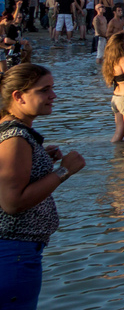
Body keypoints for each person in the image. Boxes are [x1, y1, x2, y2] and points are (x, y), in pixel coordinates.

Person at [0, 64, 86, 309]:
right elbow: (12, 202)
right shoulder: (15, 138)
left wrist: (42, 161)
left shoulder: (14, 131)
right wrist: (64, 170)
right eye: (44, 90)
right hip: (14, 252)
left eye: (53, 89)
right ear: (18, 96)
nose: (53, 96)